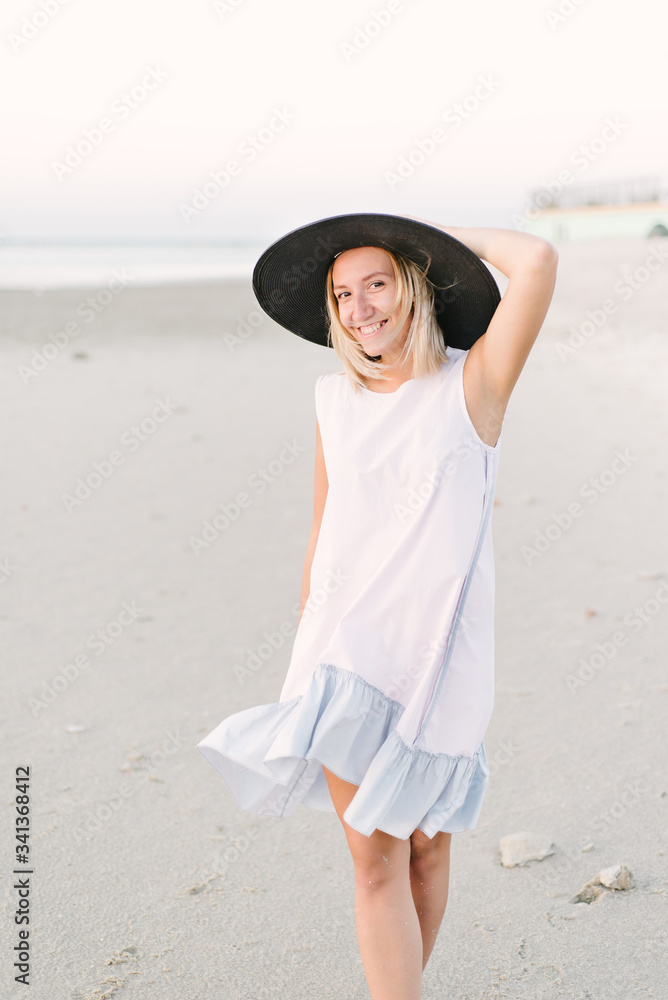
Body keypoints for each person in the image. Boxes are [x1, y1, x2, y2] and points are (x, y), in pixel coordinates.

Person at [198, 212, 558, 1000]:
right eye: (343, 293)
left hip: (440, 660)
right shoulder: (333, 399)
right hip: (346, 652)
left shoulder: (474, 382)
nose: (360, 307)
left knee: (426, 852)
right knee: (374, 860)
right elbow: (326, 524)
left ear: (414, 288)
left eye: (378, 284)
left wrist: (435, 230)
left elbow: (535, 261)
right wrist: (306, 647)